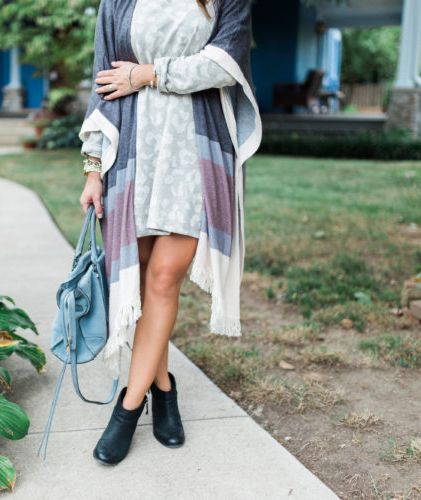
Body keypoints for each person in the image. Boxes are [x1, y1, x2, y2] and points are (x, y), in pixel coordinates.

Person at [78, 0, 261, 466]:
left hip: (194, 154)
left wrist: (145, 75)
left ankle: (127, 409)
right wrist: (93, 169)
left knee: (163, 279)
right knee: (139, 282)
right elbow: (103, 83)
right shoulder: (117, 3)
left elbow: (223, 64)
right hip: (132, 154)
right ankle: (163, 388)